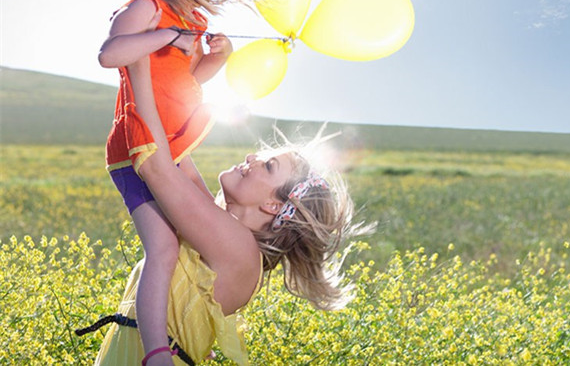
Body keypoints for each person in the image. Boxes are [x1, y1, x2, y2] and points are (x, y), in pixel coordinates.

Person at [97, 0, 274, 364]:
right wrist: (163, 36)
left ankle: (186, 334)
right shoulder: (147, 7)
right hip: (138, 148)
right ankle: (156, 351)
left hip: (172, 146)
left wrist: (218, 58)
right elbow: (110, 54)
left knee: (188, 245)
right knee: (165, 248)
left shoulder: (192, 21)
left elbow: (185, 85)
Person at [81, 130, 365, 365]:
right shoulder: (225, 236)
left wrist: (138, 69)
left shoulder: (239, 248)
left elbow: (157, 165)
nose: (252, 157)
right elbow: (181, 160)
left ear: (273, 205)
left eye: (268, 165)